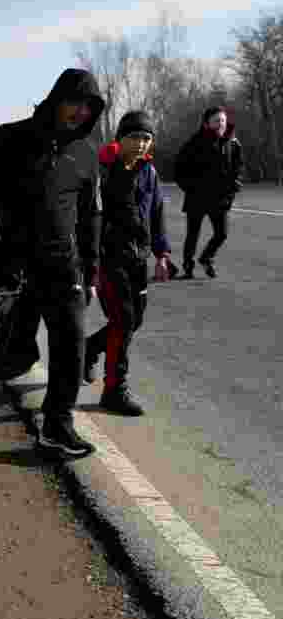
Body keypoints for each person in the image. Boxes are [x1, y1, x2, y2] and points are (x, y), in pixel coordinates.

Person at [0, 68, 105, 459]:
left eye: (88, 107)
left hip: (61, 265)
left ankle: (57, 426)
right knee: (3, 347)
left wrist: (91, 268)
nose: (79, 113)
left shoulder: (87, 152)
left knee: (70, 342)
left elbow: (91, 216)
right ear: (56, 100)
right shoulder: (10, 137)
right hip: (10, 264)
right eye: (73, 103)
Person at [84, 111, 172, 416]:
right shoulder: (102, 170)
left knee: (134, 320)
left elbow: (156, 214)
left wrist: (161, 254)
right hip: (110, 258)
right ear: (120, 139)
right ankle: (114, 390)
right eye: (134, 136)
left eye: (146, 138)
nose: (140, 143)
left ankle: (89, 350)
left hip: (139, 257)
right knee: (123, 320)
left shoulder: (149, 171)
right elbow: (87, 219)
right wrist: (90, 264)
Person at [173, 106, 244, 279]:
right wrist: (190, 188)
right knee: (193, 234)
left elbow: (238, 166)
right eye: (216, 120)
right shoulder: (195, 142)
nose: (221, 124)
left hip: (220, 198)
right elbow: (179, 169)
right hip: (197, 198)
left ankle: (206, 258)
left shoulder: (232, 142)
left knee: (222, 234)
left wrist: (235, 182)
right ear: (207, 123)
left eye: (223, 120)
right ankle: (188, 267)